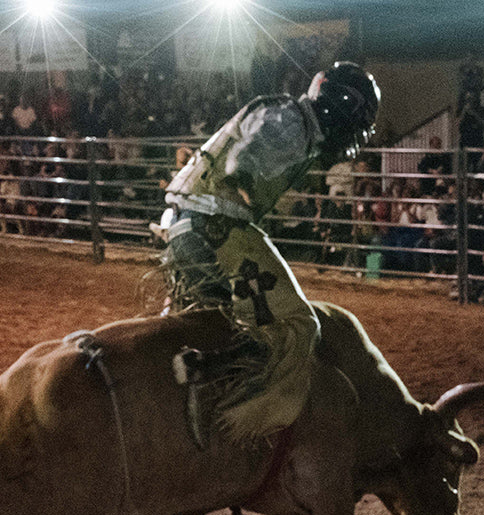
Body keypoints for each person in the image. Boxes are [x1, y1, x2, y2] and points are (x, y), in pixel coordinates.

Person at [156, 61, 380, 446]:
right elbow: (246, 154)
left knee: (211, 317)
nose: (353, 138)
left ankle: (196, 370)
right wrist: (244, 176)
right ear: (341, 106)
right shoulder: (290, 122)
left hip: (193, 225)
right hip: (215, 227)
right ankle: (233, 415)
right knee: (298, 323)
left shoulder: (291, 117)